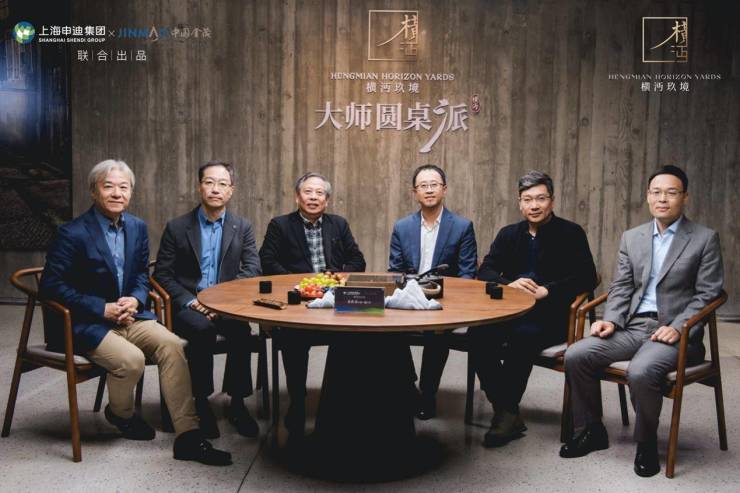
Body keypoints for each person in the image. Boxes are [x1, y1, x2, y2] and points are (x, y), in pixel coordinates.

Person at [39, 159, 231, 465]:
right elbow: (50, 286)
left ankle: (188, 436)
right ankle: (121, 414)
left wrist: (135, 298)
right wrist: (100, 308)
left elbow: (142, 275)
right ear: (93, 191)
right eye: (108, 186)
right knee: (132, 360)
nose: (117, 193)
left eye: (124, 187)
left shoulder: (137, 227)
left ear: (131, 192)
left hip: (130, 316)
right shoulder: (72, 233)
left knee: (173, 346)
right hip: (86, 323)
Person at [560, 165, 723, 477]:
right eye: (656, 192)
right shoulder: (632, 237)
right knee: (577, 354)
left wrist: (678, 327)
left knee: (641, 370)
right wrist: (611, 320)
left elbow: (708, 293)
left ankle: (646, 443)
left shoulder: (704, 239)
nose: (663, 198)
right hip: (633, 327)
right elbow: (622, 286)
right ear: (648, 196)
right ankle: (592, 430)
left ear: (685, 197)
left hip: (676, 334)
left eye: (671, 192)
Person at [470, 170, 597, 447]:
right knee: (477, 335)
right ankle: (507, 410)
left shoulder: (571, 233)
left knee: (522, 337)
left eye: (541, 198)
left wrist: (547, 290)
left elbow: (587, 277)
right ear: (520, 203)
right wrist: (510, 284)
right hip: (510, 311)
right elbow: (486, 270)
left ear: (552, 200)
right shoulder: (509, 234)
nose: (534, 205)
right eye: (527, 199)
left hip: (550, 315)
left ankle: (505, 415)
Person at [154, 160, 261, 439]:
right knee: (202, 330)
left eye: (222, 184)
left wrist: (221, 300)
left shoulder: (242, 227)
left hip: (225, 304)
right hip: (189, 305)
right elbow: (162, 274)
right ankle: (201, 403)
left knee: (240, 330)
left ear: (231, 190)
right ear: (199, 187)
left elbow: (252, 268)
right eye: (209, 182)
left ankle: (237, 404)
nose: (215, 189)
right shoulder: (178, 227)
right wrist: (192, 302)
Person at [259, 171, 366, 439]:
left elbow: (358, 260)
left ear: (326, 200)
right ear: (298, 197)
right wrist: (299, 283)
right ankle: (297, 400)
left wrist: (336, 277)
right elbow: (267, 261)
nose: (314, 197)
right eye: (308, 192)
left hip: (334, 301)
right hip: (300, 302)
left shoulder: (338, 224)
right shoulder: (280, 225)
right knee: (293, 337)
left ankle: (340, 400)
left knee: (357, 334)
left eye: (320, 193)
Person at [388, 164, 477, 419]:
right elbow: (395, 271)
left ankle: (428, 394)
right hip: (410, 298)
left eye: (434, 185)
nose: (429, 190)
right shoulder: (402, 227)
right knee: (386, 330)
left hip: (444, 302)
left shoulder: (462, 226)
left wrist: (447, 302)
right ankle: (408, 386)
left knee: (437, 334)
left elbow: (468, 274)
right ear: (415, 192)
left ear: (444, 189)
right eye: (423, 186)